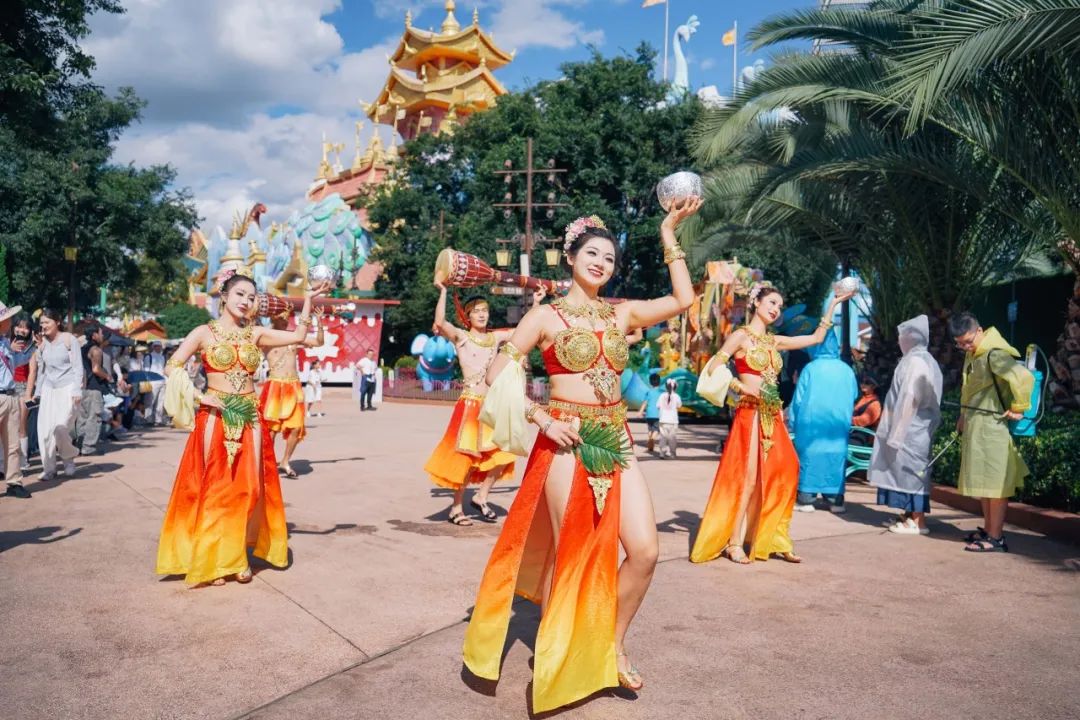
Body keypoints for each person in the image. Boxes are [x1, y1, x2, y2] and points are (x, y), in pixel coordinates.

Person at [464, 201, 699, 712]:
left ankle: (611, 643)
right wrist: (540, 416)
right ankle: (558, 652)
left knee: (645, 551)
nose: (600, 263)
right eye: (592, 253)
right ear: (571, 256)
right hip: (565, 436)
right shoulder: (545, 315)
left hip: (616, 437)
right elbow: (493, 374)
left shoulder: (623, 312)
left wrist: (667, 231)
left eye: (609, 259)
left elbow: (684, 297)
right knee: (569, 552)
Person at [156, 269, 328, 587]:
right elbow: (173, 365)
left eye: (251, 297)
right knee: (215, 488)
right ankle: (212, 560)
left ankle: (235, 557)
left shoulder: (256, 334)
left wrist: (307, 300)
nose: (246, 301)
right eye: (240, 294)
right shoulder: (203, 333)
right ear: (224, 296)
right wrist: (200, 396)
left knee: (249, 488)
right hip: (216, 417)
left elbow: (300, 337)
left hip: (250, 415)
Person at [691, 282, 855, 565]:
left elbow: (816, 338)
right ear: (757, 303)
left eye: (779, 305)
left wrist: (835, 304)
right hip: (750, 413)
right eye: (772, 303)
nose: (776, 309)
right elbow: (712, 369)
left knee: (788, 469)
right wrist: (741, 388)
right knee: (750, 479)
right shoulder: (740, 336)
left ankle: (774, 537)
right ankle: (733, 543)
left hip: (772, 414)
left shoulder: (774, 341)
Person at [423, 286, 538, 525]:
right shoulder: (462, 338)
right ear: (468, 316)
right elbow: (440, 321)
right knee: (466, 460)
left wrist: (536, 304)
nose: (482, 315)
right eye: (476, 312)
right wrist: (443, 290)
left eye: (484, 310)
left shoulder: (494, 338)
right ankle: (456, 508)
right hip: (470, 405)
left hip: (491, 405)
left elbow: (525, 331)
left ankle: (480, 496)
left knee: (505, 454)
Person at [949, 311, 1033, 553]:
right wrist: (964, 416)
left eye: (967, 341)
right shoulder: (976, 353)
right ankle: (988, 530)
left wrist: (1019, 407)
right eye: (959, 344)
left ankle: (996, 538)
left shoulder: (994, 354)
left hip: (993, 428)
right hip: (979, 427)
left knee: (996, 486)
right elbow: (970, 389)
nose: (965, 346)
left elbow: (1023, 377)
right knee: (987, 484)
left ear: (979, 331)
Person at [869, 315, 943, 535]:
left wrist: (897, 432)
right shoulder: (919, 359)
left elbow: (910, 398)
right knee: (905, 473)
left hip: (911, 429)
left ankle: (918, 522)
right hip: (914, 428)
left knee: (913, 474)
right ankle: (908, 515)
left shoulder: (916, 361)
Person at [791, 329, 858, 514]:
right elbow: (854, 395)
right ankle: (835, 501)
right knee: (835, 459)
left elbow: (798, 400)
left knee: (809, 459)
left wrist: (793, 424)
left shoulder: (810, 368)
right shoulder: (846, 370)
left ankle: (806, 499)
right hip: (838, 426)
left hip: (810, 427)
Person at [260, 308, 324, 479]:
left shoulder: (294, 338)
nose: (286, 320)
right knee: (271, 431)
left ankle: (285, 462)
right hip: (275, 386)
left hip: (293, 387)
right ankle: (267, 464)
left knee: (296, 427)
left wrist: (320, 322)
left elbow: (318, 342)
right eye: (282, 318)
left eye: (287, 317)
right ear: (274, 320)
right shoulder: (265, 339)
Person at [33, 308, 83, 482]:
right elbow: (42, 370)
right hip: (48, 390)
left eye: (47, 322)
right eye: (41, 323)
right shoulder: (43, 343)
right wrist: (37, 393)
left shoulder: (69, 340)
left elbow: (78, 367)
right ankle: (49, 468)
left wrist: (77, 390)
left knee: (60, 428)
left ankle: (68, 461)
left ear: (57, 322)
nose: (43, 326)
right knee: (45, 432)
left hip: (67, 389)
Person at [0, 303, 37, 498]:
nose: (10, 322)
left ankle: (14, 481)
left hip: (11, 395)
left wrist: (32, 347)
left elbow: (18, 361)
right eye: (6, 319)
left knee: (12, 443)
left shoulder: (5, 342)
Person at [76, 325, 111, 457]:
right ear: (94, 335)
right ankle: (88, 447)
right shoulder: (96, 350)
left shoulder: (82, 349)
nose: (102, 336)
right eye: (101, 333)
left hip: (82, 388)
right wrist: (107, 376)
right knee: (94, 417)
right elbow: (96, 369)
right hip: (93, 388)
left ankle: (80, 445)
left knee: (82, 418)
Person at [12, 316, 38, 472]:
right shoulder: (5, 343)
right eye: (19, 326)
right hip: (5, 388)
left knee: (21, 425)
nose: (22, 330)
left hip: (22, 388)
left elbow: (32, 372)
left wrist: (28, 394)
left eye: (26, 327)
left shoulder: (32, 348)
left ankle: (22, 460)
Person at [656, 378, 682, 458]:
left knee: (663, 437)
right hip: (673, 421)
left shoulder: (662, 395)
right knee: (672, 438)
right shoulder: (677, 396)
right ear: (675, 387)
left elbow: (657, 406)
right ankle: (672, 454)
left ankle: (662, 453)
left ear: (666, 387)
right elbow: (679, 405)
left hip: (663, 420)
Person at [638, 373, 662, 454]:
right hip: (658, 414)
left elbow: (645, 402)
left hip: (649, 414)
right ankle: (652, 439)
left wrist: (640, 412)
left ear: (650, 382)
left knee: (650, 429)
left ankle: (650, 442)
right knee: (656, 430)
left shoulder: (649, 392)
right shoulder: (661, 392)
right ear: (659, 381)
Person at [145, 340, 167, 426]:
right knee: (150, 401)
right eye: (157, 346)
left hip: (162, 380)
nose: (158, 348)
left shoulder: (162, 357)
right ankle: (148, 419)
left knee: (160, 401)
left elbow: (163, 368)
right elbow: (146, 369)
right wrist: (147, 381)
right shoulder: (149, 357)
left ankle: (158, 420)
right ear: (153, 347)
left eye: (159, 346)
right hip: (153, 381)